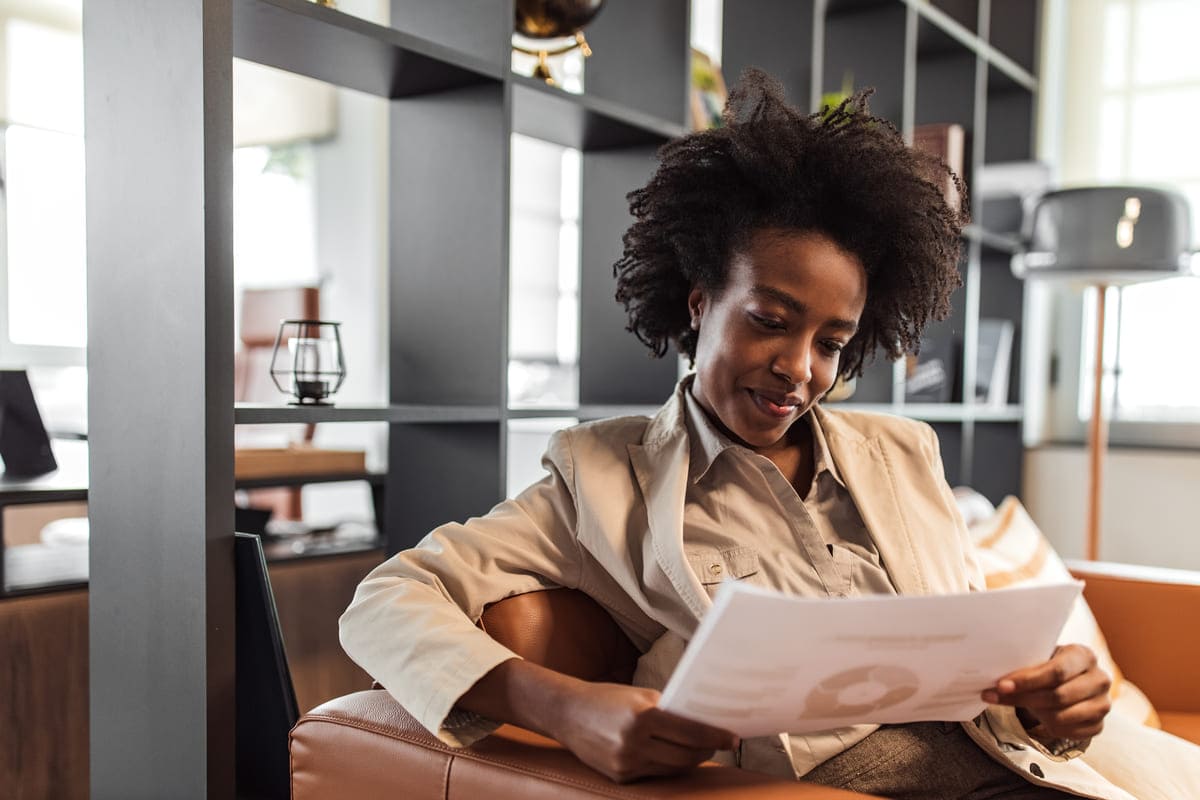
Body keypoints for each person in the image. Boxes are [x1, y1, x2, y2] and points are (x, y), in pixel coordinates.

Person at [340, 70, 1199, 798]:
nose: (799, 367)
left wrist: (1055, 697)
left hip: (1014, 763)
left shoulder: (903, 454)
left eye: (831, 342)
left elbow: (975, 671)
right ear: (699, 300)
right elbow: (385, 601)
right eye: (769, 321)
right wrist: (565, 706)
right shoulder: (601, 474)